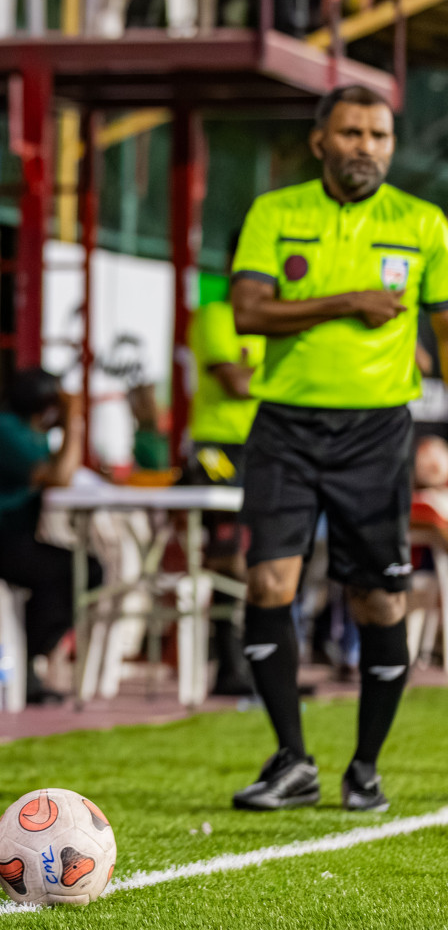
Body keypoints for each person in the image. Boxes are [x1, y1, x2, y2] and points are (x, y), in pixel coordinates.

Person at [226, 84, 448, 814]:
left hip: (377, 434)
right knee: (268, 586)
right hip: (285, 427)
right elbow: (249, 312)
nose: (366, 148)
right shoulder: (275, 212)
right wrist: (350, 301)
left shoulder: (424, 223)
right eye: (352, 133)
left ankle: (366, 768)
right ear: (320, 140)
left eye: (379, 135)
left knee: (378, 600)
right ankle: (292, 760)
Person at [0, 368, 103, 705]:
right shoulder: (4, 431)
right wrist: (73, 421)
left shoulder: (29, 434)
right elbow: (60, 477)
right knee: (75, 570)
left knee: (80, 570)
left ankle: (17, 661)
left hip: (2, 537)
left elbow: (60, 472)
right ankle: (19, 663)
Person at [185, 280, 266, 696]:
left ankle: (258, 662)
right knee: (226, 549)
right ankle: (229, 662)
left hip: (260, 445)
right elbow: (237, 383)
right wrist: (284, 378)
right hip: (215, 449)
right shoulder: (216, 316)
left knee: (264, 555)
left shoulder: (273, 322)